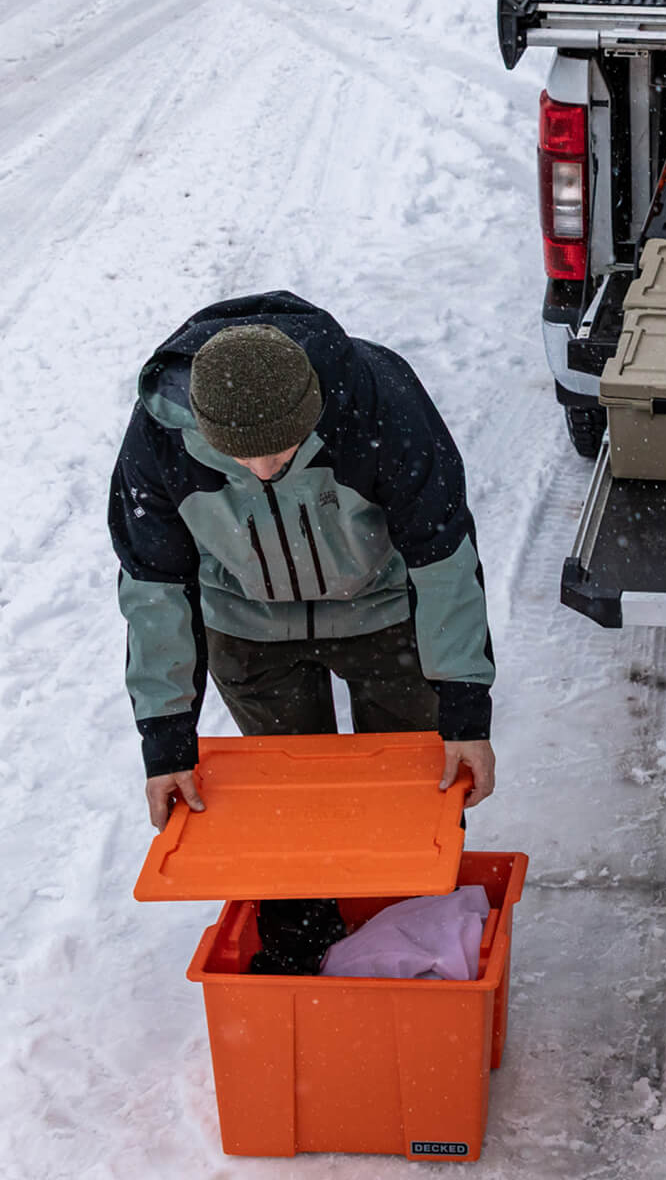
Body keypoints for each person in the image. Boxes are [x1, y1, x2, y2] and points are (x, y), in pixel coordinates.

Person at [109, 290, 497, 841]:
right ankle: (306, 924)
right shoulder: (159, 441)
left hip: (385, 621)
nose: (265, 471)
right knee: (293, 817)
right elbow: (155, 591)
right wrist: (166, 744)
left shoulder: (378, 402)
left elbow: (444, 564)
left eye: (284, 452)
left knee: (407, 807)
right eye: (242, 457)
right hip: (247, 630)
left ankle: (411, 917)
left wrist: (464, 716)